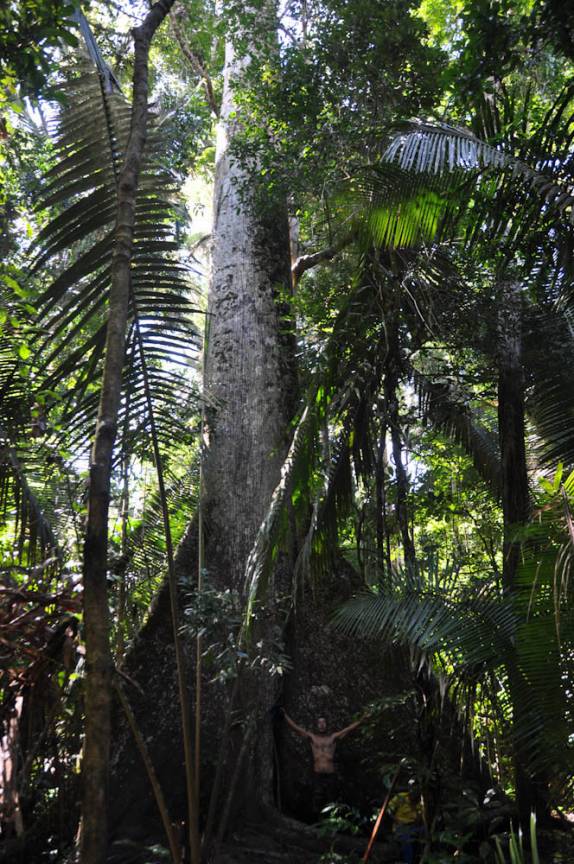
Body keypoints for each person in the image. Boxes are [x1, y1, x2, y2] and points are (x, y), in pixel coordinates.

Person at [281, 709, 365, 817]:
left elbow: (350, 729)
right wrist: (284, 714)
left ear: (326, 724)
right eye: (319, 723)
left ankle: (331, 823)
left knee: (332, 799)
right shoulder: (312, 737)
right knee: (317, 799)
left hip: (330, 774)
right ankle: (316, 822)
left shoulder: (333, 737)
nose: (321, 725)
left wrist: (363, 719)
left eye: (323, 722)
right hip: (317, 774)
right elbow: (295, 728)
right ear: (316, 725)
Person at [389, 783, 423, 864]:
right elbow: (389, 809)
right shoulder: (401, 797)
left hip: (414, 826)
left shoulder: (421, 802)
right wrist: (395, 819)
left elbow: (421, 817)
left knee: (423, 836)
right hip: (401, 825)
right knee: (406, 840)